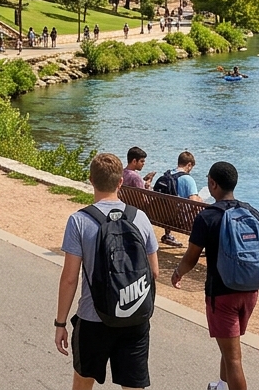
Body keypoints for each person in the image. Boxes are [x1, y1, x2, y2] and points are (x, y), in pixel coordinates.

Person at [55, 153, 160, 390]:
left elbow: (69, 279)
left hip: (93, 318)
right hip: (134, 317)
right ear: (120, 182)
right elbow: (154, 272)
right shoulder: (140, 218)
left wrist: (60, 323)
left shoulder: (79, 221)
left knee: (83, 384)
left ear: (91, 180)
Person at [172, 162, 259, 390]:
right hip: (251, 291)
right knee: (229, 346)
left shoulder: (207, 217)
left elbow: (191, 257)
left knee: (234, 358)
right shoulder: (253, 212)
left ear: (212, 183)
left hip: (221, 296)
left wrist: (178, 272)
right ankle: (221, 385)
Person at [155, 152, 202, 247]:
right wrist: (200, 199)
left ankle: (167, 234)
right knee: (203, 209)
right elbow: (193, 202)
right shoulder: (188, 179)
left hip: (161, 216)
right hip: (180, 220)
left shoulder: (167, 175)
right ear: (189, 165)